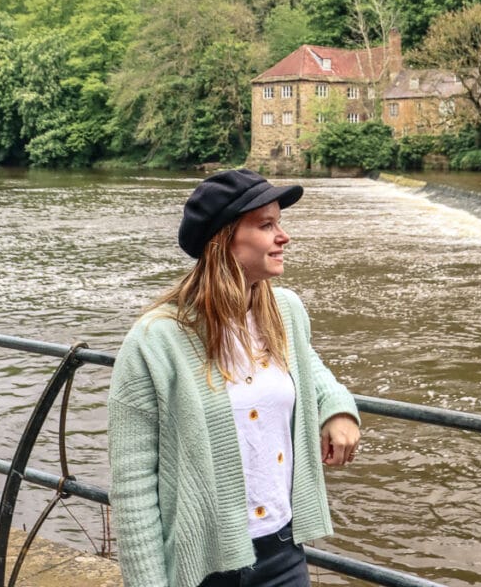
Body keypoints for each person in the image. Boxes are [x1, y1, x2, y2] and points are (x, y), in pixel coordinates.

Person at [108, 168, 360, 587]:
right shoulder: (156, 341)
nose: (284, 236)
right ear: (224, 240)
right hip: (203, 565)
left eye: (280, 222)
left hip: (282, 554)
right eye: (267, 225)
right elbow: (133, 488)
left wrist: (336, 407)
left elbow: (307, 365)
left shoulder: (286, 312)